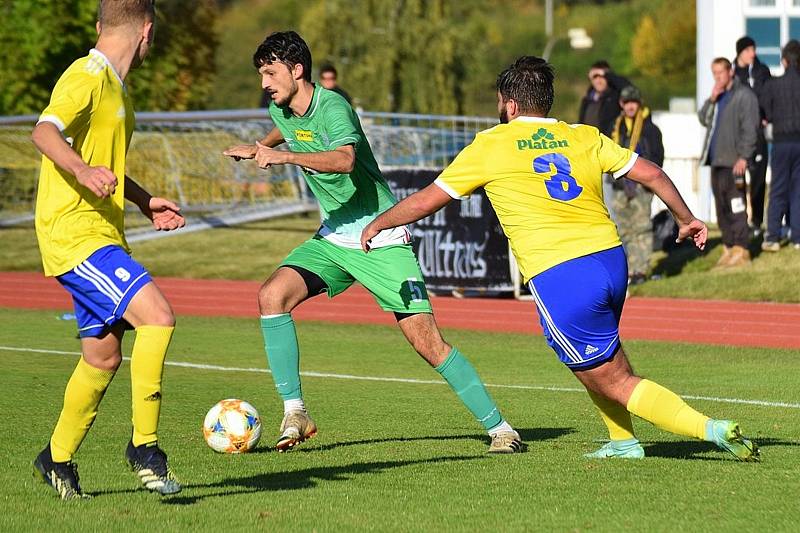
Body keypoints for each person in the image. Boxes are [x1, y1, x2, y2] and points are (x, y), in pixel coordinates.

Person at [362, 56, 759, 462]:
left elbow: (429, 199)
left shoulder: (490, 145)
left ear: (510, 105)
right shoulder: (584, 135)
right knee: (598, 360)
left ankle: (711, 429)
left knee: (613, 377)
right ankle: (623, 441)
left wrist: (380, 223)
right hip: (609, 260)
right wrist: (686, 218)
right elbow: (653, 174)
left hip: (562, 273)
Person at [223, 31, 523, 454]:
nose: (264, 84)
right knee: (272, 295)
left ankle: (501, 429)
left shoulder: (333, 106)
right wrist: (259, 148)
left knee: (427, 342)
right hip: (333, 237)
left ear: (297, 70)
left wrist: (285, 156)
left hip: (378, 236)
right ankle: (295, 411)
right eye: (261, 75)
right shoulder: (283, 109)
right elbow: (283, 129)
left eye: (270, 73)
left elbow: (345, 160)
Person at [30, 0, 184, 500]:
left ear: (101, 25)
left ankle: (55, 458)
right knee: (157, 316)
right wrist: (79, 171)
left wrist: (143, 200)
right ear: (148, 30)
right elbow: (44, 131)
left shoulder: (117, 89)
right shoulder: (87, 73)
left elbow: (101, 162)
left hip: (101, 232)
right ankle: (144, 446)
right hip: (76, 234)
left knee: (102, 357)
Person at [698, 57, 760, 268]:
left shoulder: (744, 95)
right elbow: (703, 119)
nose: (717, 77)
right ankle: (728, 247)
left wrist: (744, 156)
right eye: (714, 73)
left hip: (735, 162)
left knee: (737, 206)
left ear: (730, 72)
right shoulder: (719, 97)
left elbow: (751, 129)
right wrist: (712, 99)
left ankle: (742, 249)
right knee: (721, 208)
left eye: (721, 73)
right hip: (717, 161)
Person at [610, 85, 664, 284]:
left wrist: (650, 183)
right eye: (627, 102)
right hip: (620, 186)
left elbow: (657, 157)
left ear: (639, 104)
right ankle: (627, 270)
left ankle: (640, 270)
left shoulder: (650, 129)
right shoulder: (616, 127)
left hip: (641, 186)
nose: (630, 106)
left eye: (634, 102)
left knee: (641, 227)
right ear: (621, 104)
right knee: (623, 229)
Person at [760, 40, 800, 252]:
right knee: (798, 190)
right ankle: (798, 238)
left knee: (778, 189)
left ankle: (773, 236)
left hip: (782, 142)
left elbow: (765, 113)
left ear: (784, 61)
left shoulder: (772, 85)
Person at [734, 36, 772, 235]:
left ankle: (756, 222)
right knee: (737, 181)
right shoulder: (732, 73)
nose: (752, 54)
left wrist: (766, 115)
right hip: (737, 136)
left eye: (753, 49)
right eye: (748, 50)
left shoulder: (761, 71)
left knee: (758, 178)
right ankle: (740, 221)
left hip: (757, 134)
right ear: (740, 52)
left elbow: (769, 94)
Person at [578, 60, 629, 135]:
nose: (598, 81)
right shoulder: (587, 100)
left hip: (610, 143)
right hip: (589, 143)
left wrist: (608, 74)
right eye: (595, 77)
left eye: (602, 77)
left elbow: (629, 89)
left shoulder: (615, 96)